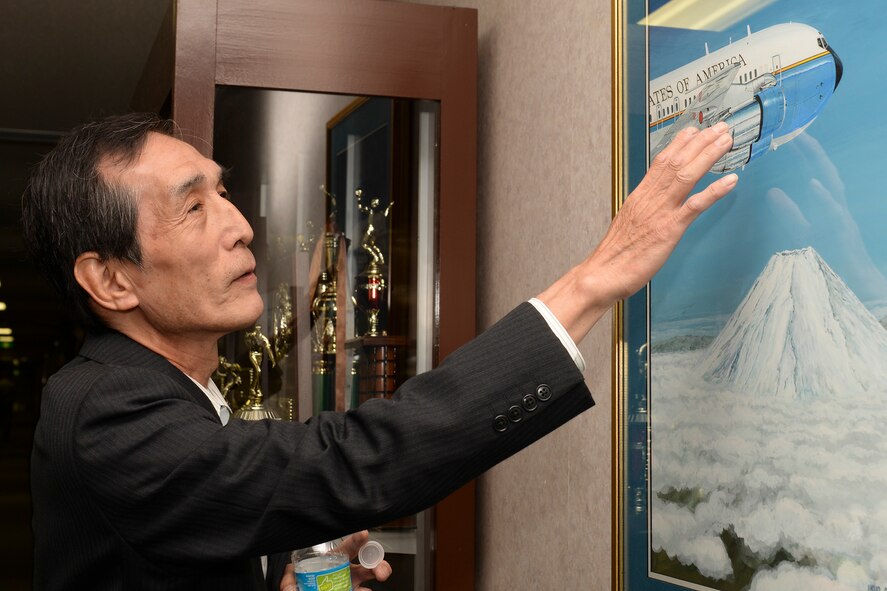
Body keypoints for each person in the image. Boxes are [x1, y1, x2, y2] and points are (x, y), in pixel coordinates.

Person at [21, 112, 737, 591]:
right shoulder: (107, 413)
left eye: (224, 192)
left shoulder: (161, 389)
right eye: (193, 206)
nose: (239, 225)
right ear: (112, 279)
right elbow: (355, 455)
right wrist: (592, 281)